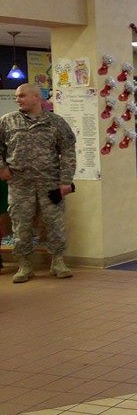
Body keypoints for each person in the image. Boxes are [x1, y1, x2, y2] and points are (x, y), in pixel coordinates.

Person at [0, 83, 76, 283]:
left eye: (22, 96)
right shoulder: (7, 121)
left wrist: (66, 181)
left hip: (49, 182)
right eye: (17, 96)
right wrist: (2, 167)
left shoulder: (56, 123)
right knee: (21, 225)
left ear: (36, 97)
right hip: (19, 183)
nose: (18, 99)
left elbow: (68, 152)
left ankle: (58, 261)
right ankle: (24, 265)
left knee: (54, 224)